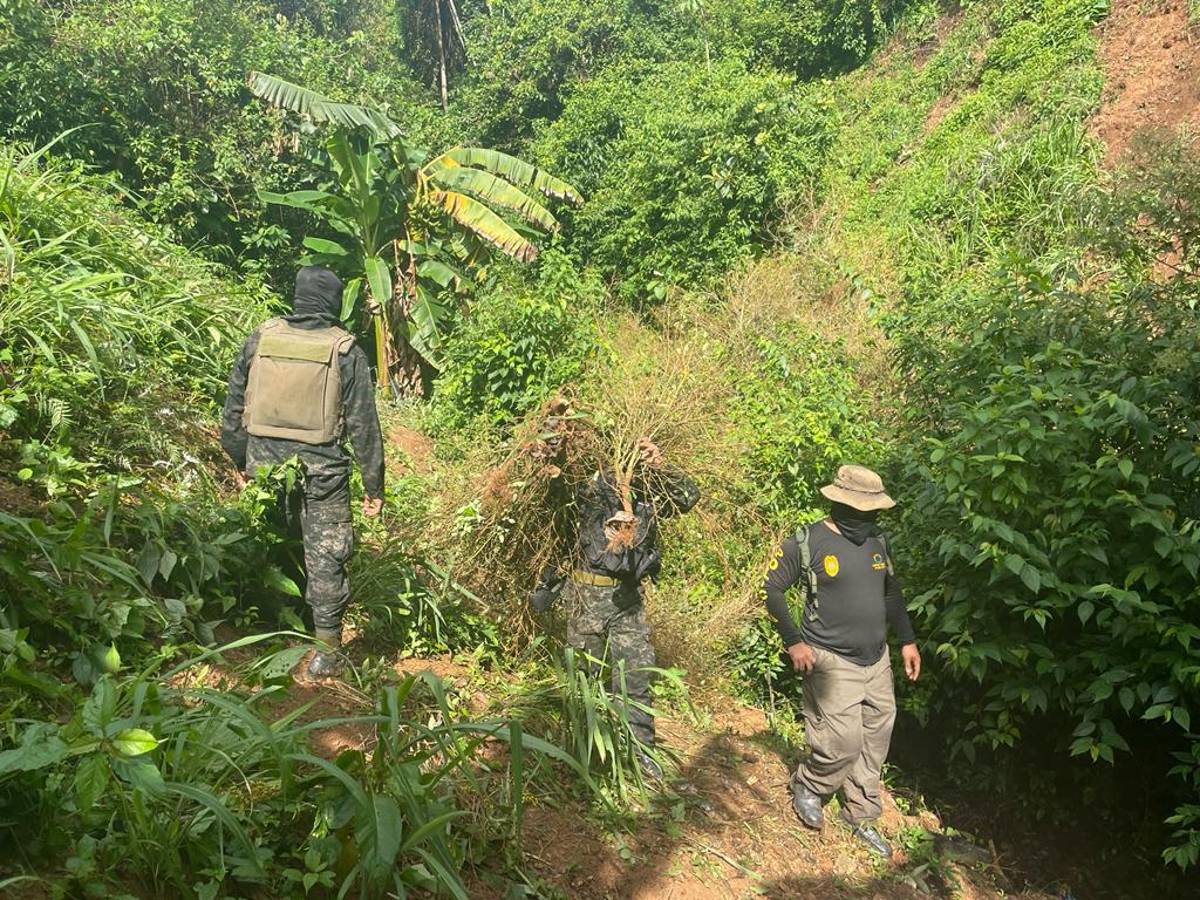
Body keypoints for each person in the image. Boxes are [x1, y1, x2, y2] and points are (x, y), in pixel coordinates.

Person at [220, 266, 385, 678]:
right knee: (325, 555)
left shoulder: (261, 338)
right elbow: (364, 425)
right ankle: (326, 652)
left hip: (263, 466)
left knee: (273, 541)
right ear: (331, 303)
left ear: (297, 298)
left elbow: (234, 408)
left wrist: (240, 460)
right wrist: (373, 487)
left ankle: (267, 628)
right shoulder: (346, 351)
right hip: (322, 474)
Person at [761, 464, 920, 859]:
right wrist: (794, 641)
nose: (867, 520)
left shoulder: (877, 541)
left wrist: (907, 640)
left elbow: (891, 592)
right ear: (839, 502)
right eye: (861, 512)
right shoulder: (808, 541)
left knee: (875, 738)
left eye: (873, 513)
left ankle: (861, 812)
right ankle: (810, 785)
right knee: (842, 743)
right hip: (831, 660)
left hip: (877, 660)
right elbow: (774, 590)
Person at [530, 437, 700, 777]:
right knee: (582, 678)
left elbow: (687, 498)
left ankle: (640, 753)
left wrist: (659, 464)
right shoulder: (584, 485)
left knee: (635, 676)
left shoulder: (646, 484)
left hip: (627, 600)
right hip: (586, 596)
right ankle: (580, 752)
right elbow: (545, 506)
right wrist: (544, 463)